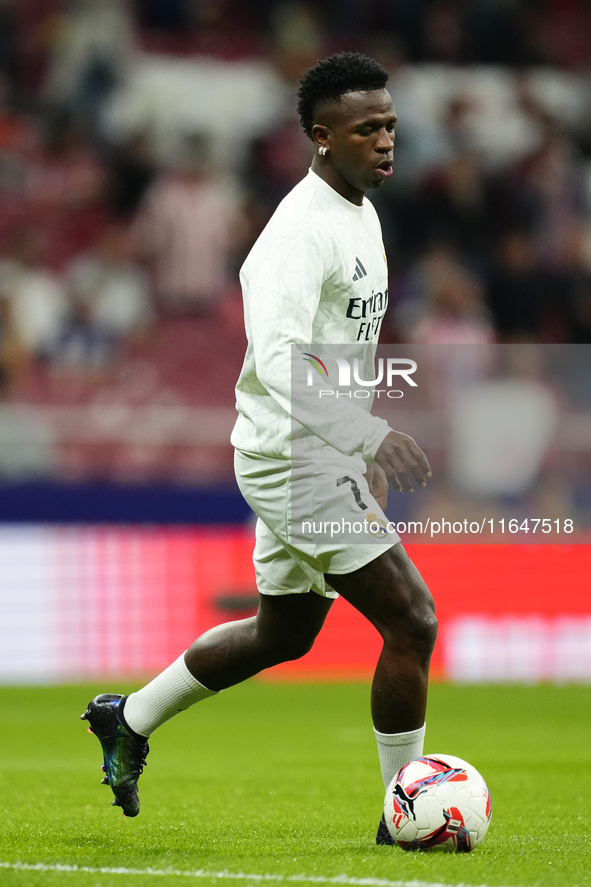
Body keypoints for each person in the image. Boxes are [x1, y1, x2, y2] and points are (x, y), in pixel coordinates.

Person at [81, 52, 437, 846]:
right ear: (320, 138)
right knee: (412, 621)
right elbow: (281, 361)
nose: (385, 141)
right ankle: (402, 819)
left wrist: (356, 453)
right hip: (293, 456)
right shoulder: (296, 235)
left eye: (389, 125)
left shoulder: (360, 211)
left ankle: (127, 716)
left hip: (318, 455)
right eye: (365, 129)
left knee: (284, 634)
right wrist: (366, 439)